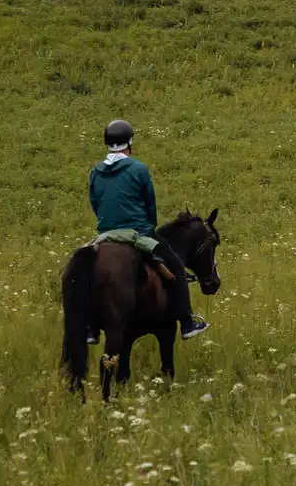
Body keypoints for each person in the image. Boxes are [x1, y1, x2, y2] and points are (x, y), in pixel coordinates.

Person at [89, 119, 208, 339]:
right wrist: (150, 226)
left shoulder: (96, 172)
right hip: (138, 231)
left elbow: (95, 203)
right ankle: (187, 322)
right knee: (177, 268)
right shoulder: (139, 169)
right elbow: (149, 203)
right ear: (130, 143)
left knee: (85, 271)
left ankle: (90, 327)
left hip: (105, 234)